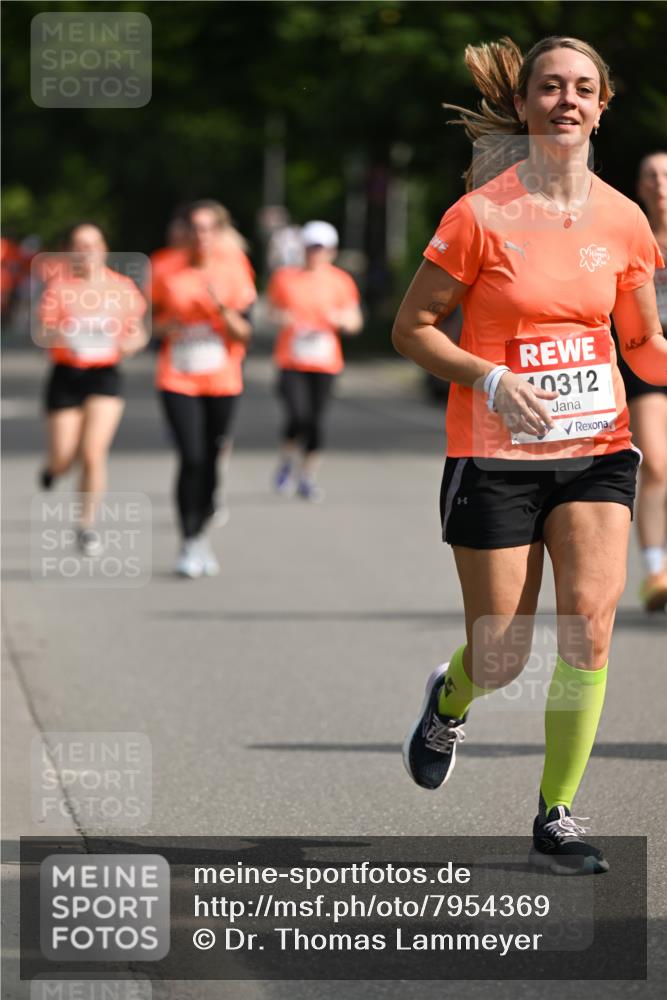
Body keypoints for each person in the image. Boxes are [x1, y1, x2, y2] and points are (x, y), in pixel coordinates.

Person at [394, 36, 666, 874]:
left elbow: (642, 343)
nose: (566, 100)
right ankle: (452, 697)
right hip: (493, 454)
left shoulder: (623, 219)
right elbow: (410, 330)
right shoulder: (478, 214)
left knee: (588, 626)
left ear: (602, 104)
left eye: (583, 88)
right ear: (522, 106)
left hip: (596, 449)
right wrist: (487, 378)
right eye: (549, 87)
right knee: (502, 651)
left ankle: (556, 814)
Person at [154, 200, 256, 578]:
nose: (201, 234)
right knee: (191, 456)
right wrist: (169, 325)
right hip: (176, 377)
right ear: (185, 230)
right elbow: (149, 324)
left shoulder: (234, 269)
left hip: (222, 378)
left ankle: (203, 534)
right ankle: (189, 539)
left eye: (208, 227)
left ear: (218, 231)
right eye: (194, 227)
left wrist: (220, 308)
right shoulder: (164, 266)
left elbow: (245, 332)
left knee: (211, 457)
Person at [37, 223, 148, 554]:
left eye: (92, 244)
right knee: (64, 457)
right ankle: (52, 469)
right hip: (67, 374)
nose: (85, 251)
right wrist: (64, 335)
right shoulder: (59, 288)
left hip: (104, 374)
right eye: (78, 245)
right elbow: (43, 333)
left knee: (92, 452)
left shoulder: (122, 287)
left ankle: (86, 525)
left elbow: (138, 332)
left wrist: (131, 344)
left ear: (104, 248)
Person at [267, 221, 362, 501]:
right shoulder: (285, 278)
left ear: (331, 251)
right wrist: (281, 318)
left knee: (316, 421)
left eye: (320, 248)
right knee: (298, 415)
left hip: (325, 361)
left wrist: (343, 321)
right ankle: (287, 461)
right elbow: (271, 312)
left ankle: (307, 476)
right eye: (310, 247)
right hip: (292, 359)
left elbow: (355, 320)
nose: (314, 253)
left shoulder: (341, 281)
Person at [616, 153, 667, 611]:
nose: (660, 183)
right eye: (651, 175)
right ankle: (656, 571)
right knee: (655, 464)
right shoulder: (631, 235)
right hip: (647, 364)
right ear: (641, 185)